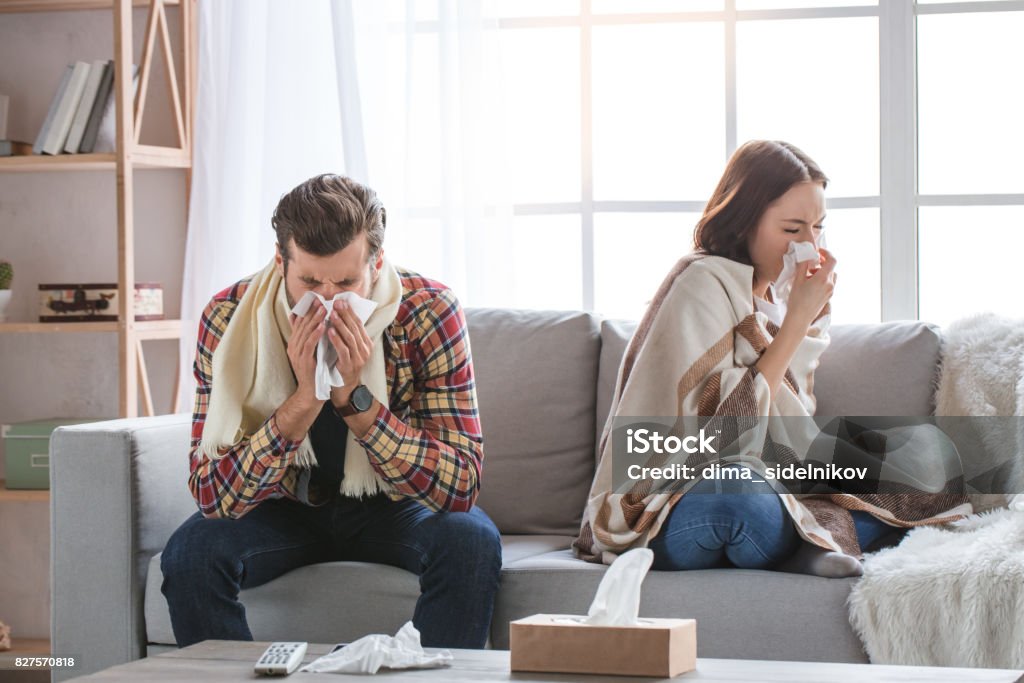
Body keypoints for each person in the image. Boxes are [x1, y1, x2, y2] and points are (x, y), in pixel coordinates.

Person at [573, 140, 970, 577]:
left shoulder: (790, 299)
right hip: (672, 498)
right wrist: (797, 320)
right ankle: (815, 539)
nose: (809, 245)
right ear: (744, 223)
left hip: (775, 481)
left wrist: (802, 313)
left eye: (818, 227)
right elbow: (719, 441)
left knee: (928, 452)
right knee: (733, 493)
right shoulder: (704, 283)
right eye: (792, 229)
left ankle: (811, 539)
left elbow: (791, 427)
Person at [161, 174, 502, 648]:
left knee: (470, 541)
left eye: (345, 282)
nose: (325, 300)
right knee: (191, 552)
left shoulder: (428, 311)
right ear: (281, 260)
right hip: (282, 508)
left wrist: (352, 399)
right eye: (308, 281)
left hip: (394, 507)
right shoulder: (228, 316)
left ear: (377, 262)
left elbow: (460, 482)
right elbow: (213, 495)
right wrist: (303, 401)